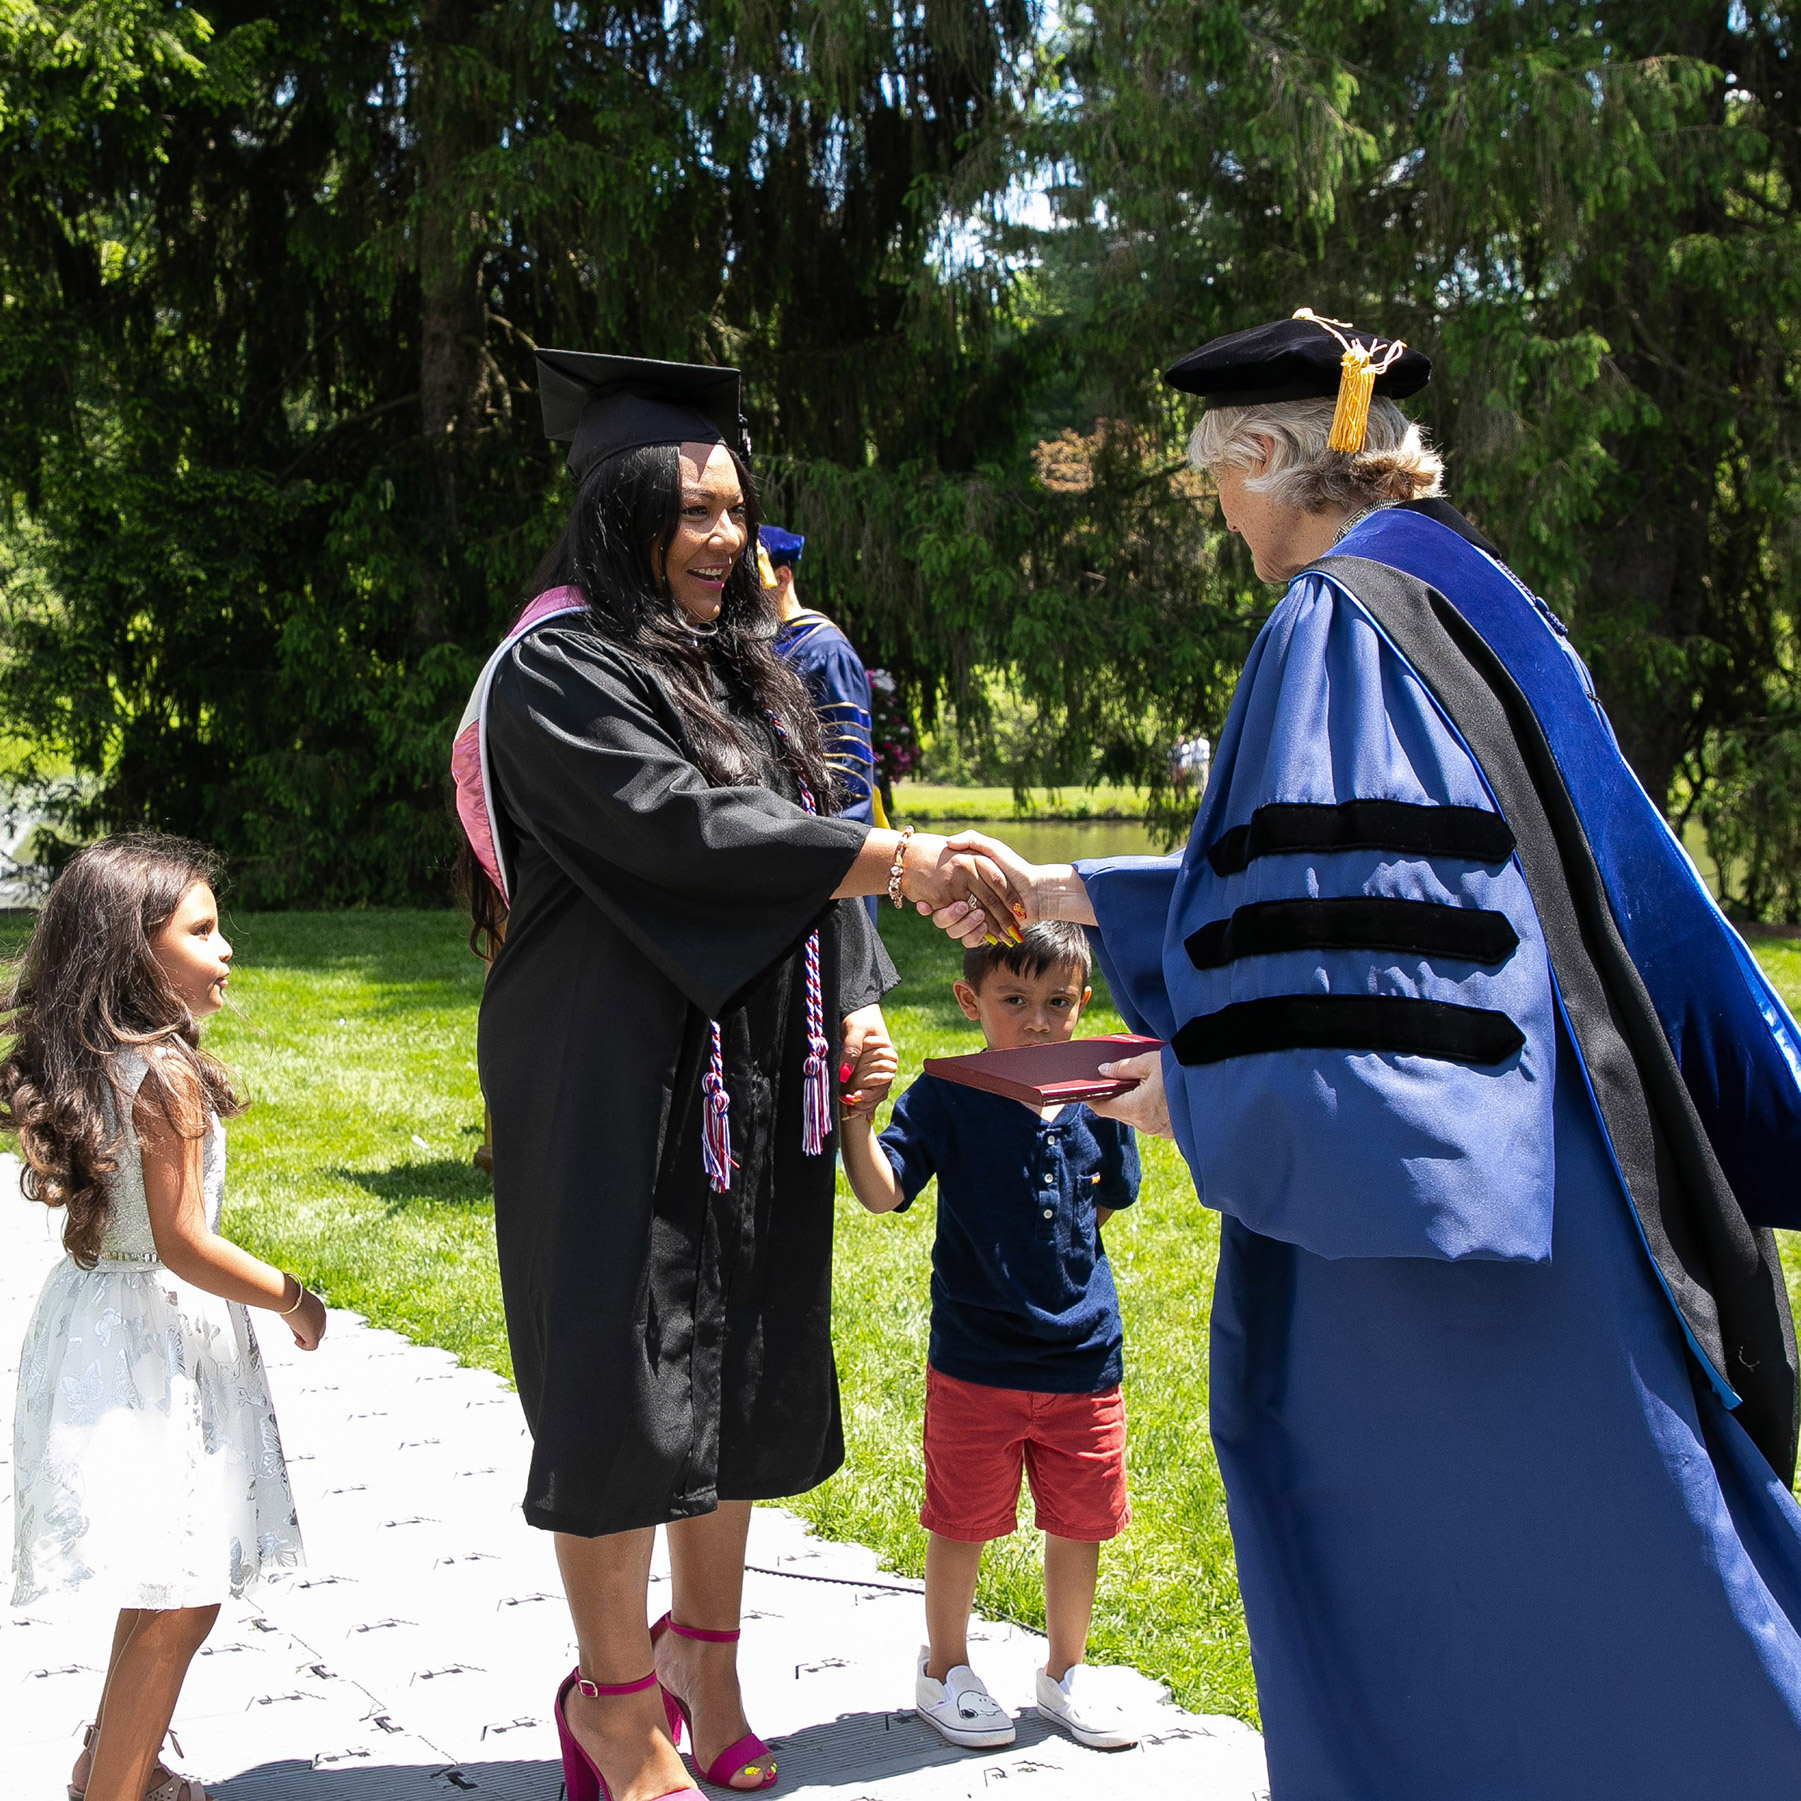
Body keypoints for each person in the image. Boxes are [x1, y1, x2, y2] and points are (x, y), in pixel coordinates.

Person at [922, 311, 1801, 1798]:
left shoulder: (1331, 620)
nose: (1219, 519)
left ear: (1264, 454)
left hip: (1439, 1245)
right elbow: (1372, 881)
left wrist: (1196, 1085)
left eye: (1215, 480)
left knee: (1489, 1589)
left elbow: (1363, 965)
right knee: (1637, 1541)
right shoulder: (1466, 593)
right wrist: (1078, 897)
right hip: (1560, 1145)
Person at [450, 350, 1022, 1801]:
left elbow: (789, 846)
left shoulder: (735, 665)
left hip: (750, 1063)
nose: (725, 539)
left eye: (737, 512)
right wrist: (894, 859)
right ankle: (618, 1703)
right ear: (621, 502)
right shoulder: (557, 664)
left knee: (742, 1363)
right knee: (620, 1382)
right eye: (693, 509)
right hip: (609, 1071)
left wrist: (846, 1003)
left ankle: (706, 1650)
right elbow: (681, 829)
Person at [4, 835, 324, 1801]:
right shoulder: (165, 1076)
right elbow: (184, 1240)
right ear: (136, 952)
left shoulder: (107, 1056)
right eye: (202, 929)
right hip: (156, 1342)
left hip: (103, 1325)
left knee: (160, 1578)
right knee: (183, 1596)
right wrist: (293, 1297)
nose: (226, 947)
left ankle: (112, 1764)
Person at [839, 921, 1141, 1754]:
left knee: (1079, 1522)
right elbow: (883, 1191)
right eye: (1014, 1000)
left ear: (1082, 1002)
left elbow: (1107, 1196)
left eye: (1056, 1002)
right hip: (976, 1359)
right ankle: (944, 1669)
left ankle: (1065, 1670)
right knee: (962, 1520)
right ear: (970, 1000)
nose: (1037, 1021)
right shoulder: (948, 1096)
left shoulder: (1096, 1090)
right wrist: (856, 1126)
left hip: (1083, 1357)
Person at [760, 524, 879, 827]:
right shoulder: (759, 645)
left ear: (782, 577)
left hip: (822, 840)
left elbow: (846, 770)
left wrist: (841, 850)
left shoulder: (826, 652)